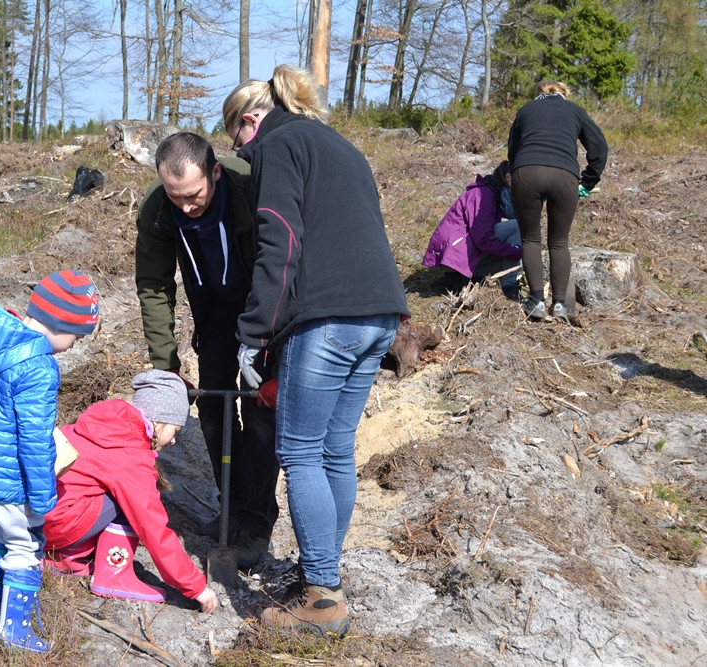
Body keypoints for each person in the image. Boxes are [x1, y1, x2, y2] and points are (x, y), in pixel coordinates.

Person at [222, 65, 410, 637]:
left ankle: (322, 599)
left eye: (236, 140)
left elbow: (278, 238)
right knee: (334, 451)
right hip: (380, 316)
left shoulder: (280, 145)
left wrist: (253, 336)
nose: (239, 154)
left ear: (252, 120)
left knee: (299, 451)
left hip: (328, 320)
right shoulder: (340, 145)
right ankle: (323, 574)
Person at [134, 131, 279, 570]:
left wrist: (278, 341)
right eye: (175, 196)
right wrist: (167, 367)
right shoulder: (159, 210)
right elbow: (154, 286)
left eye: (194, 195)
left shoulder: (251, 187)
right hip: (214, 312)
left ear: (214, 171)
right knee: (213, 412)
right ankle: (230, 510)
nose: (185, 206)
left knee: (258, 414)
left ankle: (256, 521)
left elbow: (287, 261)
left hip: (265, 308)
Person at [0, 269, 99, 654]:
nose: (74, 345)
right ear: (60, 322)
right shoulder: (38, 367)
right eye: (76, 336)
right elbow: (34, 442)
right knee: (27, 542)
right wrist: (43, 495)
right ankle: (14, 631)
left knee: (5, 532)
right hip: (7, 474)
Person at [40, 369, 219, 613]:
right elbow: (153, 528)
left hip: (38, 518)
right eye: (175, 431)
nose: (174, 440)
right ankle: (113, 576)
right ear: (159, 420)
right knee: (131, 503)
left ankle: (65, 557)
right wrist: (196, 587)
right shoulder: (131, 456)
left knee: (102, 493)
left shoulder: (102, 424)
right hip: (58, 525)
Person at [507, 80, 608, 321]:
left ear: (538, 93)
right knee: (559, 241)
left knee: (531, 238)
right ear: (565, 94)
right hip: (565, 176)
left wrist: (524, 173)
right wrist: (588, 182)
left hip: (527, 172)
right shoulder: (575, 111)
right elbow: (600, 148)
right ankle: (560, 304)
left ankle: (536, 301)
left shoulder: (526, 110)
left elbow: (513, 150)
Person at [422, 160, 522, 299]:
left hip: (458, 256)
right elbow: (483, 240)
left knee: (518, 260)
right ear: (508, 178)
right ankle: (510, 289)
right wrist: (516, 251)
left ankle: (473, 279)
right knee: (516, 227)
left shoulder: (490, 196)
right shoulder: (483, 196)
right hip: (455, 257)